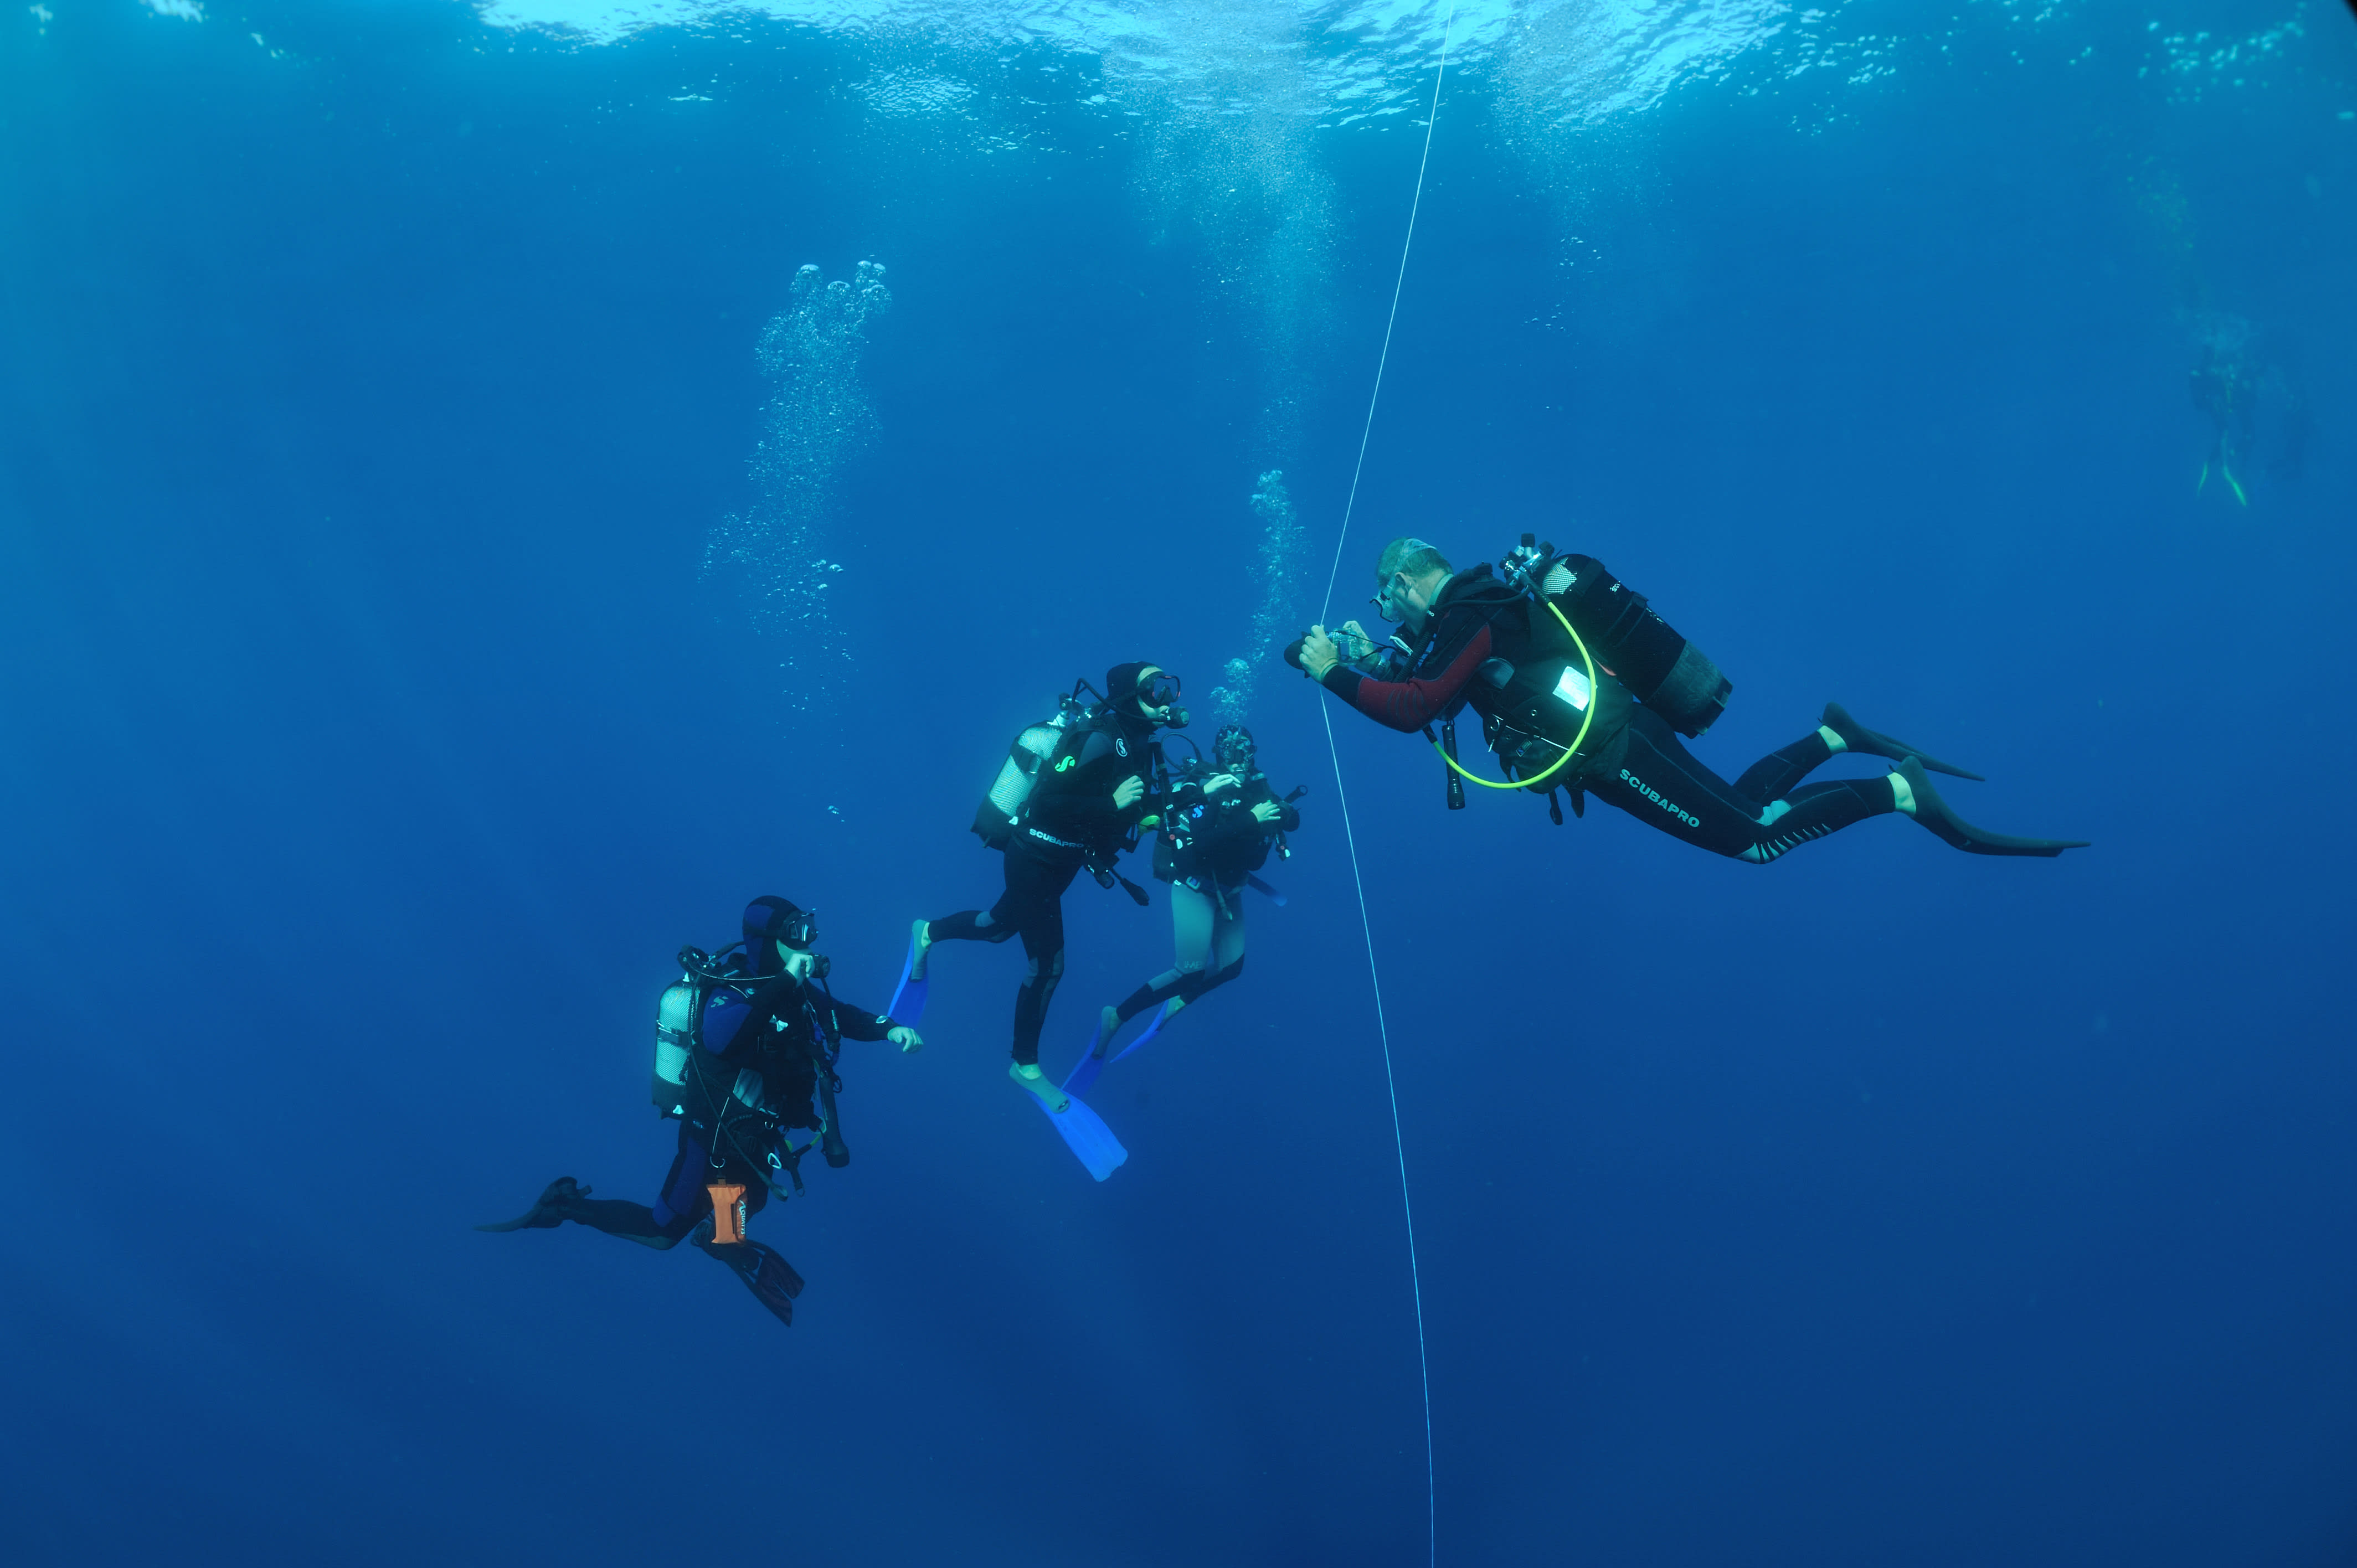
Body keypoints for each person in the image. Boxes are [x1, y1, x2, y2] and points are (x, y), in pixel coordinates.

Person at [1291, 538, 2085, 861]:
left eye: (1385, 601)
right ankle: (1835, 737)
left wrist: (1330, 670)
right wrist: (1369, 661)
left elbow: (1414, 708)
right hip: (1612, 739)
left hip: (1613, 748)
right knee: (1743, 804)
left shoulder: (1473, 613)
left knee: (1752, 840)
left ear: (1400, 581)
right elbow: (1424, 679)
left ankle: (1898, 790)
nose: (1388, 616)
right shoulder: (1475, 612)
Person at [478, 896, 921, 1328]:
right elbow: (721, 1039)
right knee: (661, 1233)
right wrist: (784, 981)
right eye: (795, 933)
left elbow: (839, 1015)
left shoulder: (798, 992)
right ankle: (566, 1205)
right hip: (709, 1140)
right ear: (767, 941)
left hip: (754, 1140)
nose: (806, 942)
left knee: (753, 1196)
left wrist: (891, 1029)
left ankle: (720, 1236)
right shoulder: (729, 988)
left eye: (808, 930)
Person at [907, 662, 1184, 1111]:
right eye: (1155, 688)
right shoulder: (1099, 737)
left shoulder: (1135, 744)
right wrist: (1111, 803)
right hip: (1033, 855)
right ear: (1129, 696)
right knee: (1048, 966)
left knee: (998, 926)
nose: (1166, 697)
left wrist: (1142, 812)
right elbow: (1050, 800)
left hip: (1064, 859)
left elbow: (1113, 805)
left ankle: (928, 932)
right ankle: (1024, 1065)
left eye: (1169, 686)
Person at [1088, 723, 1300, 1065]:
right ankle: (1116, 1016)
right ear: (1218, 754)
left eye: (1246, 750)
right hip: (1194, 888)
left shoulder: (1258, 786)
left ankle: (1179, 1000)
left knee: (1231, 968)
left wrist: (1285, 813)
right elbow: (1195, 849)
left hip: (1232, 892)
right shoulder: (1201, 787)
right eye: (1232, 751)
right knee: (1189, 971)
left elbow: (1291, 823)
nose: (1240, 759)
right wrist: (1252, 819)